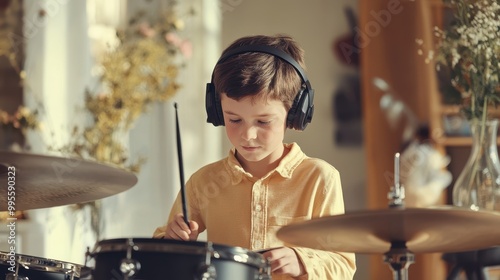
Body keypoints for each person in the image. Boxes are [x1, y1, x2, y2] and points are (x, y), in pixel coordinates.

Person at [153, 34, 356, 279]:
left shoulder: (320, 178)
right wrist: (174, 239)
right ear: (217, 112)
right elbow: (160, 251)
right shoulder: (203, 182)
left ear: (295, 115)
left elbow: (343, 265)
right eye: (234, 120)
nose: (247, 134)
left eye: (263, 121)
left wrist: (301, 262)